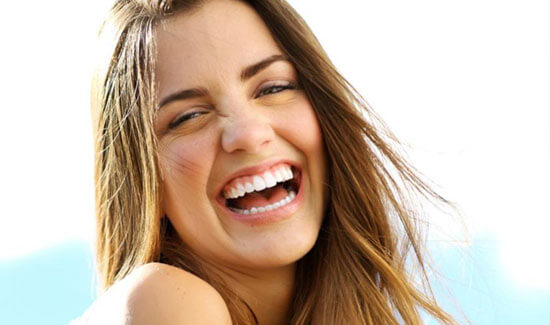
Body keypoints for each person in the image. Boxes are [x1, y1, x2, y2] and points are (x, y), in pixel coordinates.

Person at [77, 0, 459, 324]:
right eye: (188, 117)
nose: (247, 133)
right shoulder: (160, 301)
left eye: (273, 88)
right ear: (143, 182)